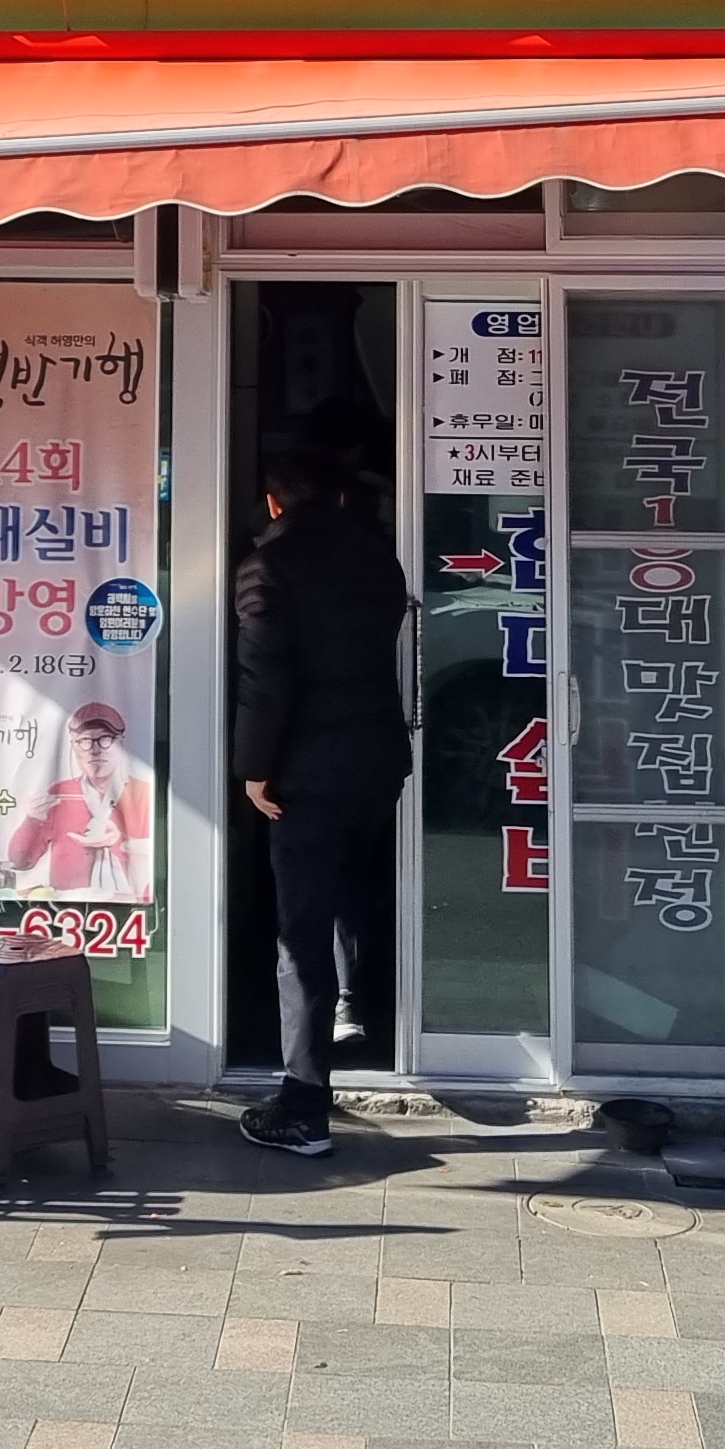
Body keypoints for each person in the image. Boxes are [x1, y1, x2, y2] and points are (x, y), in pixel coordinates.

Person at [231, 441, 410, 1159]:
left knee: (300, 932)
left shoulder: (268, 566)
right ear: (338, 496)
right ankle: (356, 1011)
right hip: (377, 765)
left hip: (304, 776)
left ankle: (303, 1107)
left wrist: (253, 768)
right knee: (356, 894)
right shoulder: (380, 559)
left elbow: (263, 677)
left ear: (275, 501)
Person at [1, 701, 151, 898]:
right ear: (73, 746)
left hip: (130, 908)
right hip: (69, 909)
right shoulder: (59, 793)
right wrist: (33, 820)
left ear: (121, 742)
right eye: (84, 740)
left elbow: (160, 858)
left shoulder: (143, 793)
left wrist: (118, 840)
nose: (94, 750)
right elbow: (20, 861)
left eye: (105, 738)